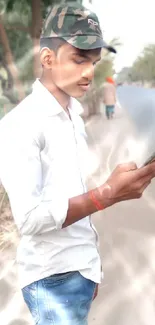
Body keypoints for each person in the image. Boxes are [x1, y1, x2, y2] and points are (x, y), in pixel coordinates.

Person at [0, 3, 155, 325]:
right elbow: (28, 220)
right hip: (52, 278)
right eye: (79, 59)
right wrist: (107, 194)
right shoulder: (21, 124)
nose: (89, 72)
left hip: (79, 268)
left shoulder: (73, 115)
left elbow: (67, 190)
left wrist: (88, 267)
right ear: (47, 59)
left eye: (94, 62)